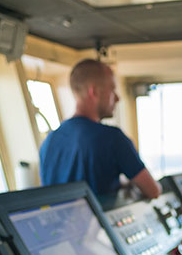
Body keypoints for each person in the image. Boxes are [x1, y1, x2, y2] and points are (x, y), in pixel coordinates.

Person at [39, 59, 161, 199]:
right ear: (94, 92)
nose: (117, 98)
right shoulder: (113, 138)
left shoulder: (49, 140)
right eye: (112, 89)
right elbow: (153, 191)